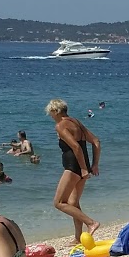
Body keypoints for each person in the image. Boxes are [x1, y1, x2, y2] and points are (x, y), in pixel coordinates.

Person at [46, 98, 102, 241]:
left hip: (73, 167)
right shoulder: (75, 122)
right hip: (83, 166)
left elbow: (76, 147)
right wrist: (94, 164)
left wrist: (83, 169)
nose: (50, 116)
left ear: (56, 111)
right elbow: (96, 141)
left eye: (51, 113)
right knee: (73, 204)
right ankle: (78, 238)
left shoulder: (60, 126)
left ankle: (91, 223)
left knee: (59, 203)